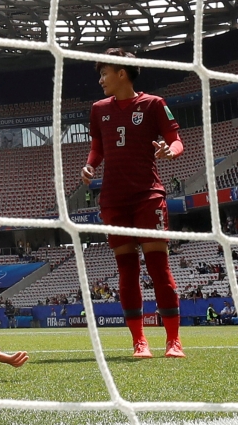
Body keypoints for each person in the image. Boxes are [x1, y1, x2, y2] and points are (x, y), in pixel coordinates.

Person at [80, 48, 185, 359]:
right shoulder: (99, 109)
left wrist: (171, 151)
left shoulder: (154, 104)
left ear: (121, 73)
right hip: (113, 200)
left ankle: (173, 341)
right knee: (126, 270)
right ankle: (140, 341)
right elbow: (97, 145)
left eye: (104, 73)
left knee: (158, 267)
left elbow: (175, 139)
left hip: (147, 195)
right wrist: (90, 165)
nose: (100, 79)